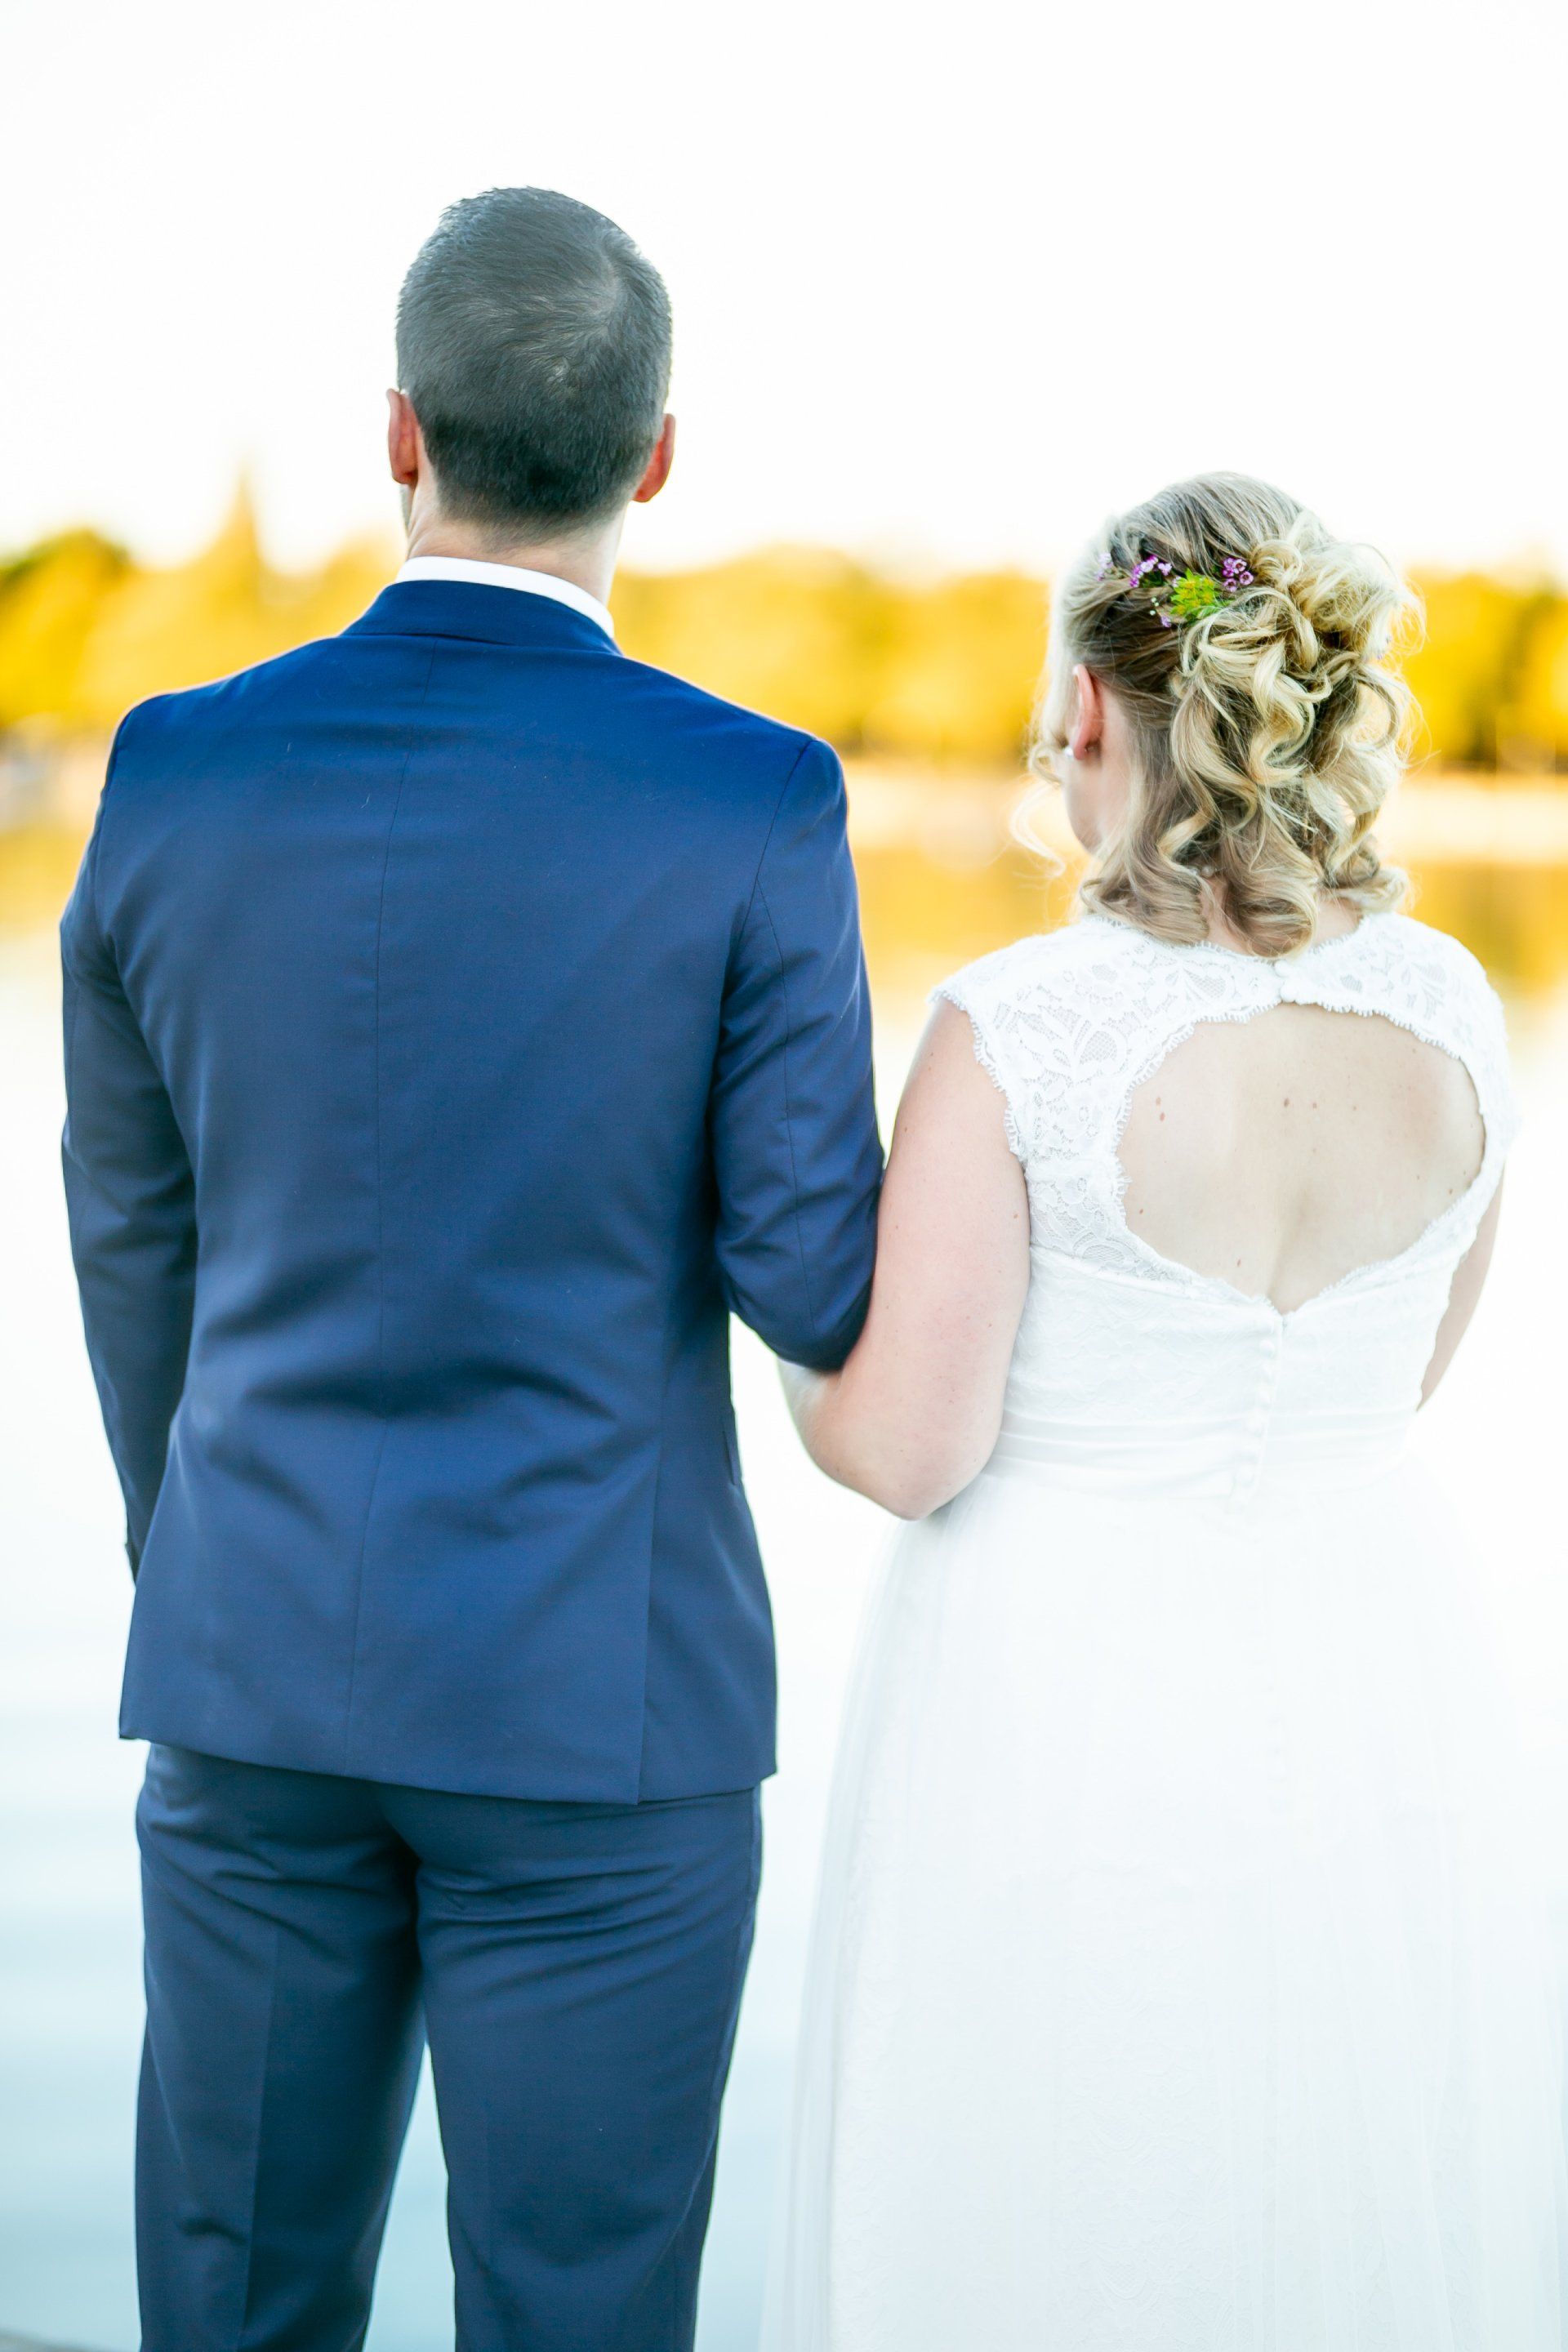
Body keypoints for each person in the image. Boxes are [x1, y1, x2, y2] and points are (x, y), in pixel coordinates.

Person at [59, 186, 882, 2351]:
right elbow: (814, 1285)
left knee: (232, 2307)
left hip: (249, 1658)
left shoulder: (170, 768)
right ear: (658, 458)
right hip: (599, 1701)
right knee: (577, 2315)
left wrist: (198, 1540)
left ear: (399, 434)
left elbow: (128, 1225)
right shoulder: (755, 802)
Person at [767, 474, 1568, 2347]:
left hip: (1058, 1702)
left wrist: (798, 1328)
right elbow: (1401, 1381)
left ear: (1092, 710)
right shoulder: (1456, 1010)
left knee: (1059, 2183)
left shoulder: (1018, 1025)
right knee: (1336, 2169)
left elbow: (907, 1446)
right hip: (1382, 1684)